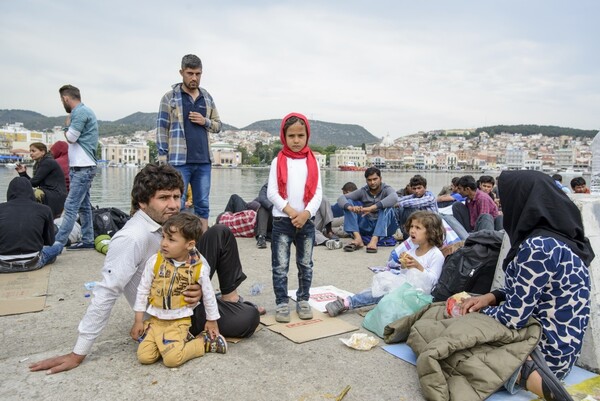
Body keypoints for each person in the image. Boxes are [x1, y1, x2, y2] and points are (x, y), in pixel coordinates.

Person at [29, 164, 259, 375]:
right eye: (164, 198)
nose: (173, 204)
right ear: (142, 202)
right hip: (167, 311)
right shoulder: (131, 239)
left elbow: (193, 254)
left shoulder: (169, 224)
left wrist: (199, 284)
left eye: (177, 197)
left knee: (220, 232)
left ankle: (230, 300)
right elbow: (106, 293)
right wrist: (78, 352)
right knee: (249, 319)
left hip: (183, 288)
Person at [460, 170, 594, 401]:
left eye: (507, 200)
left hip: (544, 356)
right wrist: (491, 297)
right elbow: (531, 291)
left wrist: (475, 312)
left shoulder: (538, 247)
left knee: (458, 349)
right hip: (564, 350)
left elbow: (513, 318)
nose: (503, 206)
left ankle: (532, 379)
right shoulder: (561, 238)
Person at [131, 213, 226, 368]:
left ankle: (204, 343)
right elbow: (143, 290)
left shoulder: (198, 268)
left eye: (171, 240)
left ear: (189, 245)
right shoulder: (155, 262)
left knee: (172, 360)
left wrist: (212, 321)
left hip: (179, 321)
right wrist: (138, 320)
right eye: (163, 237)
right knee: (144, 357)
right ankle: (171, 343)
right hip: (155, 320)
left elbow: (209, 296)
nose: (163, 244)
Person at [325, 211, 445, 317]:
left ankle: (348, 303)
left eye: (418, 228)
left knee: (385, 293)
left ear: (430, 232)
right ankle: (349, 301)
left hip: (419, 294)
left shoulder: (435, 255)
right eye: (412, 226)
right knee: (379, 288)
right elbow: (404, 274)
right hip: (405, 285)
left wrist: (418, 266)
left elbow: (433, 282)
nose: (412, 230)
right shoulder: (412, 250)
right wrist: (404, 265)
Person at [267, 113, 322, 323]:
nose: (296, 140)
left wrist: (306, 214)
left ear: (307, 135)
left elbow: (317, 193)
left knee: (305, 264)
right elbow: (272, 193)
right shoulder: (277, 161)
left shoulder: (313, 162)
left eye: (301, 135)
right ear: (284, 136)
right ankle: (282, 302)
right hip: (283, 221)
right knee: (280, 265)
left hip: (306, 222)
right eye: (291, 136)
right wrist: (292, 213)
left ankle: (303, 300)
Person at [157, 54, 221, 234]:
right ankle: (177, 242)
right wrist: (163, 160)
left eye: (198, 74)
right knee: (176, 203)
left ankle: (202, 245)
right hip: (178, 161)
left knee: (203, 205)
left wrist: (204, 121)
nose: (194, 78)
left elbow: (218, 125)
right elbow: (162, 128)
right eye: (190, 73)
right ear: (181, 72)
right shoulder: (170, 98)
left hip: (203, 161)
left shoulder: (207, 97)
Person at [39, 85, 99, 265]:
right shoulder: (83, 112)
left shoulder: (80, 112)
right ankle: (88, 239)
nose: (62, 103)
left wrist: (67, 126)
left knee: (71, 204)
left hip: (83, 167)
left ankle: (57, 244)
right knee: (84, 206)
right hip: (82, 166)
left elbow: (71, 137)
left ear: (66, 98)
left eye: (61, 100)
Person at [0, 177, 55, 272]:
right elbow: (50, 242)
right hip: (33, 262)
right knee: (58, 246)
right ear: (30, 191)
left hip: (3, 264)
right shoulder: (44, 209)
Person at [338, 167, 398, 253]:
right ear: (366, 180)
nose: (372, 182)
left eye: (375, 179)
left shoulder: (386, 189)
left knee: (386, 207)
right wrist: (351, 207)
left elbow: (394, 198)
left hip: (386, 227)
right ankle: (358, 238)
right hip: (368, 225)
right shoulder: (363, 191)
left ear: (380, 179)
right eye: (369, 180)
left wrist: (371, 208)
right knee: (349, 202)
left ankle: (374, 240)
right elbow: (341, 198)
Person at [15, 142, 67, 218]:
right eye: (30, 151)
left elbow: (34, 182)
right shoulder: (43, 162)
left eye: (34, 151)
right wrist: (23, 173)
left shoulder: (47, 162)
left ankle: (24, 217)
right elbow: (34, 183)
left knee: (29, 193)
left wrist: (22, 177)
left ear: (42, 152)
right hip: (52, 192)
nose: (31, 153)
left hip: (54, 194)